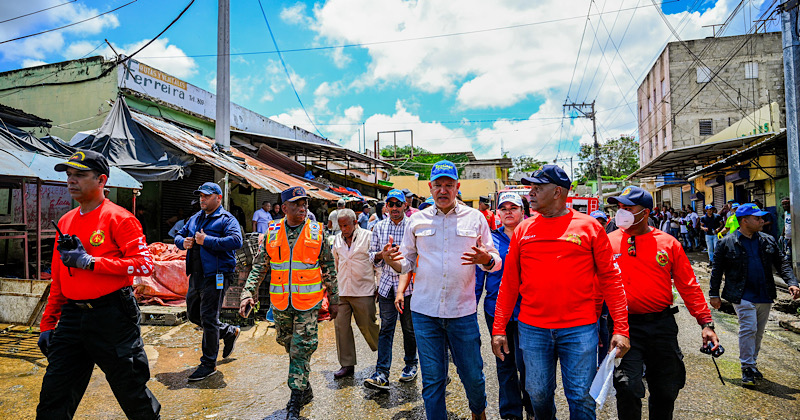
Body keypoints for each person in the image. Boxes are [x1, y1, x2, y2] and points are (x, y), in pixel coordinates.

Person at [491, 165, 630, 420]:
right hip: (532, 330)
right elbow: (510, 283)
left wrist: (621, 328)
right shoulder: (524, 230)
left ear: (557, 192)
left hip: (579, 329)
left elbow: (611, 279)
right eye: (530, 187)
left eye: (537, 188)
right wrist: (499, 328)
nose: (530, 193)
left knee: (581, 396)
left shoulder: (589, 227)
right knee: (538, 393)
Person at [37, 150, 161, 419]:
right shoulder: (66, 221)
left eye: (80, 175)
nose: (71, 181)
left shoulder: (120, 218)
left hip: (112, 316)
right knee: (53, 397)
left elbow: (144, 265)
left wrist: (91, 262)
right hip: (71, 318)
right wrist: (48, 323)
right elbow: (59, 278)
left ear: (101, 180)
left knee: (132, 393)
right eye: (69, 175)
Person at [384, 161, 501, 420]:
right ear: (430, 187)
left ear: (458, 187)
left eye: (449, 185)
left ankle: (478, 412)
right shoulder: (417, 220)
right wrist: (392, 261)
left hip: (463, 312)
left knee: (472, 374)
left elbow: (495, 261)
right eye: (438, 185)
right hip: (425, 313)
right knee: (433, 378)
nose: (443, 190)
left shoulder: (476, 218)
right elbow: (408, 262)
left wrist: (486, 259)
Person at [606, 186, 719, 419]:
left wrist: (705, 323)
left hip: (661, 326)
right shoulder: (607, 242)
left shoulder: (668, 244)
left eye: (628, 208)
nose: (621, 213)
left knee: (666, 388)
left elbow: (689, 285)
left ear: (645, 212)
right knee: (627, 387)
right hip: (624, 327)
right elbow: (595, 286)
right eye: (619, 208)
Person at [239, 186, 339, 420]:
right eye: (296, 204)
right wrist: (247, 292)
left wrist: (335, 300)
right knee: (287, 344)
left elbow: (329, 268)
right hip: (281, 304)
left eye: (304, 203)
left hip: (309, 303)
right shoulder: (272, 232)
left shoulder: (317, 232)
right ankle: (304, 387)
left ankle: (294, 401)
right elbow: (260, 266)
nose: (302, 207)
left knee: (301, 348)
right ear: (284, 208)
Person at [710, 203, 800, 387]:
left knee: (758, 333)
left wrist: (792, 282)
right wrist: (714, 294)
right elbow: (717, 270)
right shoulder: (726, 242)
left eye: (761, 218)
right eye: (757, 218)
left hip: (764, 294)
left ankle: (752, 363)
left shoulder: (768, 240)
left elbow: (782, 263)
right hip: (741, 294)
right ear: (744, 221)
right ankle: (747, 367)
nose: (762, 221)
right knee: (749, 328)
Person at [174, 182, 243, 381]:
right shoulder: (195, 218)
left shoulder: (226, 219)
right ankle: (229, 332)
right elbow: (179, 235)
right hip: (196, 274)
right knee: (194, 315)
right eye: (201, 196)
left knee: (209, 318)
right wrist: (182, 242)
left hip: (217, 275)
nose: (202, 199)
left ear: (218, 198)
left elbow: (236, 241)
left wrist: (208, 241)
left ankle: (208, 363)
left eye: (206, 196)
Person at [475, 192, 533, 420]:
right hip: (496, 311)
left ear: (522, 211)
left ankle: (532, 407)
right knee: (504, 362)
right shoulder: (490, 240)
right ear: (498, 212)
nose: (509, 211)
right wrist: (472, 309)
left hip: (528, 312)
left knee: (528, 363)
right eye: (504, 208)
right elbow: (479, 278)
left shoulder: (532, 236)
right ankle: (510, 412)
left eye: (514, 207)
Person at [365, 189, 418, 390]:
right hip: (387, 286)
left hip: (409, 287)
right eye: (391, 204)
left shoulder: (412, 226)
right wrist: (382, 255)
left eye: (398, 204)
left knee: (409, 329)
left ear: (405, 206)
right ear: (386, 206)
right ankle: (382, 373)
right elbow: (371, 256)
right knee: (386, 329)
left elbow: (414, 259)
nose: (394, 208)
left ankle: (411, 365)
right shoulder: (379, 227)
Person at [331, 209, 379, 379]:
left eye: (346, 225)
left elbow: (377, 263)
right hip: (342, 290)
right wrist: (331, 289)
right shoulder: (337, 239)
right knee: (341, 327)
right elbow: (335, 264)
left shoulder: (368, 236)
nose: (343, 229)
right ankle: (347, 364)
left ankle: (382, 354)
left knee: (367, 325)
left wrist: (378, 284)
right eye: (341, 225)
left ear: (355, 223)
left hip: (363, 289)